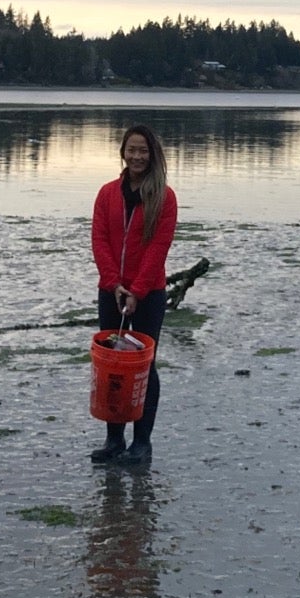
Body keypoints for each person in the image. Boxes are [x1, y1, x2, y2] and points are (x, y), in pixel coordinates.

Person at [90, 124, 177, 466]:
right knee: (112, 366)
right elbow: (99, 241)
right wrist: (114, 285)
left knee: (143, 367)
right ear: (123, 153)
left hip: (149, 295)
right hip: (111, 292)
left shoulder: (164, 197)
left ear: (152, 155)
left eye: (143, 151)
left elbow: (159, 247)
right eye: (132, 150)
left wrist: (138, 291)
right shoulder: (107, 193)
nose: (137, 156)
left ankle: (142, 443)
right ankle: (114, 440)